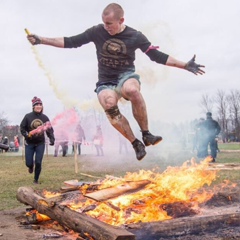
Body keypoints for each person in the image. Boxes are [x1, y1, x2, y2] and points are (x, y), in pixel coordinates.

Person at [26, 3, 205, 161]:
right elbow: (71, 41)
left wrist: (184, 65)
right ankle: (135, 143)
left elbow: (156, 56)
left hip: (125, 76)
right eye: (104, 23)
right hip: (105, 82)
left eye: (110, 24)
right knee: (109, 103)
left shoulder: (135, 36)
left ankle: (146, 134)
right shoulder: (97, 31)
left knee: (132, 90)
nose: (107, 27)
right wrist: (41, 39)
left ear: (121, 20)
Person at [20, 96, 55, 184]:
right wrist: (26, 135)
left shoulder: (45, 117)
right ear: (33, 106)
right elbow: (22, 128)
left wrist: (51, 138)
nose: (39, 106)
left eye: (40, 105)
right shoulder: (27, 116)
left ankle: (36, 180)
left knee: (38, 162)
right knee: (29, 163)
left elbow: (49, 129)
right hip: (29, 143)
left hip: (40, 143)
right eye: (37, 105)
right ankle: (30, 166)